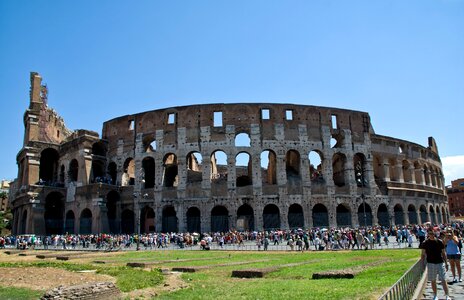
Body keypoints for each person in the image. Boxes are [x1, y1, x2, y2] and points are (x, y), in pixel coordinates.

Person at [420, 230, 450, 300]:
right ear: (428, 234)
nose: (432, 235)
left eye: (433, 234)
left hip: (440, 262)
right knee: (433, 280)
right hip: (430, 263)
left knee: (443, 279)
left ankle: (447, 295)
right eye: (430, 234)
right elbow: (423, 254)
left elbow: (443, 253)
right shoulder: (425, 243)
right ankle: (435, 295)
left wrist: (446, 263)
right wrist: (422, 264)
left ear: (435, 234)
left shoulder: (439, 242)